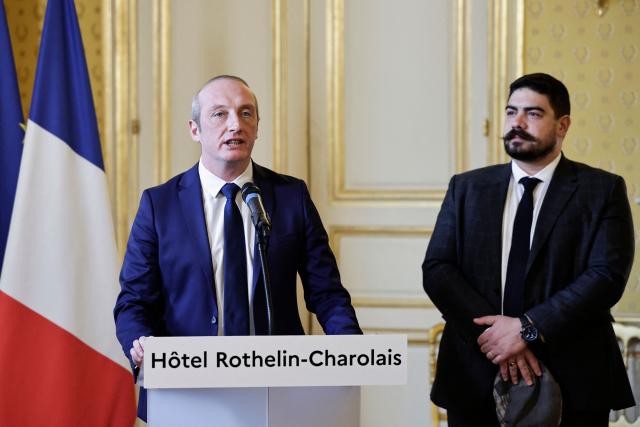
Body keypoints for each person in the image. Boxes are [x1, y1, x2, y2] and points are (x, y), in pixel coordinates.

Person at [114, 75, 361, 420]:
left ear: (257, 126)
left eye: (246, 114)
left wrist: (350, 349)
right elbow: (133, 301)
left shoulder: (291, 198)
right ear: (194, 129)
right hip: (188, 393)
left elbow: (327, 293)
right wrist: (139, 342)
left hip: (279, 391)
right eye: (219, 114)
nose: (235, 124)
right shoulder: (160, 205)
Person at [422, 73, 635, 426]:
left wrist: (527, 330)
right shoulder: (467, 188)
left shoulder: (602, 190)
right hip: (475, 373)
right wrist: (495, 339)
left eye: (533, 114)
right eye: (511, 112)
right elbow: (438, 269)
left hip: (573, 377)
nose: (517, 123)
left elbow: (606, 277)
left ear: (562, 124)